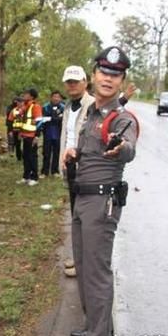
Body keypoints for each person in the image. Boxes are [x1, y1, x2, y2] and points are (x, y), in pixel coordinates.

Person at [63, 46, 139, 336]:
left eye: (115, 74)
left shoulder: (122, 119)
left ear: (122, 80)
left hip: (102, 202)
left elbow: (127, 147)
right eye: (104, 72)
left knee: (96, 270)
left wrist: (119, 148)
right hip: (82, 198)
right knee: (82, 265)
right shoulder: (91, 112)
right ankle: (95, 325)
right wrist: (75, 154)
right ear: (94, 74)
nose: (108, 78)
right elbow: (89, 150)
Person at [59, 65, 96, 279]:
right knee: (75, 214)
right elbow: (67, 136)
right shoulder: (67, 106)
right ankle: (78, 257)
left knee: (86, 215)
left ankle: (86, 262)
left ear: (85, 82)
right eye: (69, 82)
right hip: (70, 166)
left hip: (86, 168)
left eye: (76, 81)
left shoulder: (92, 105)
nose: (72, 85)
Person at [17, 88, 42, 186]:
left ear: (31, 96)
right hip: (25, 135)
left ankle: (34, 177)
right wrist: (20, 132)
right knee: (26, 156)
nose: (24, 96)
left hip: (32, 136)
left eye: (26, 94)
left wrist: (37, 136)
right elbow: (22, 120)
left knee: (32, 156)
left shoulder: (35, 106)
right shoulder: (26, 106)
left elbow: (39, 121)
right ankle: (26, 176)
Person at [40, 90, 65, 176]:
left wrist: (53, 119)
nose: (56, 98)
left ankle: (55, 171)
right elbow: (43, 119)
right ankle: (44, 171)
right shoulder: (45, 107)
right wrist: (54, 118)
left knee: (57, 152)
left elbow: (63, 119)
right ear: (51, 97)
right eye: (54, 96)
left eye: (58, 97)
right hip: (48, 132)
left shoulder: (63, 107)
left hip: (58, 133)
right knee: (46, 152)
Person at [6, 96, 24, 161]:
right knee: (17, 144)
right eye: (19, 103)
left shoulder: (26, 110)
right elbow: (10, 121)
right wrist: (10, 131)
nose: (20, 104)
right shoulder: (13, 110)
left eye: (22, 102)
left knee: (25, 144)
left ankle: (24, 156)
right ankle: (19, 157)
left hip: (24, 130)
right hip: (15, 130)